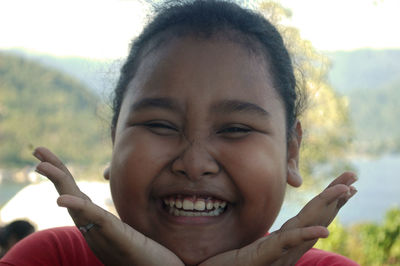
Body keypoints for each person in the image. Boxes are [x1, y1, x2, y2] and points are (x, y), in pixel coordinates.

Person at [0, 1, 358, 265]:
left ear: (290, 152)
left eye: (235, 128)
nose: (194, 162)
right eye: (159, 125)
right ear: (115, 141)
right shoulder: (51, 258)